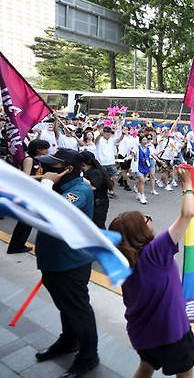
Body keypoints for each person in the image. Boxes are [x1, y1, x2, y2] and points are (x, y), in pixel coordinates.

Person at [109, 167, 194, 378]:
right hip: (171, 333)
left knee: (146, 367)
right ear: (140, 231)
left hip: (141, 332)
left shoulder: (122, 261)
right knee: (184, 373)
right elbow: (187, 214)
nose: (150, 220)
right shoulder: (155, 252)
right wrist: (188, 185)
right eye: (145, 219)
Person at [34, 148, 100, 377]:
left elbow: (54, 213)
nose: (44, 169)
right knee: (66, 307)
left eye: (52, 166)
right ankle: (69, 341)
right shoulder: (60, 186)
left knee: (79, 310)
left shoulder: (80, 189)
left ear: (67, 170)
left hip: (70, 264)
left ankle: (89, 356)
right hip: (53, 260)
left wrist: (45, 185)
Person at [7, 139, 50, 254]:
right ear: (38, 149)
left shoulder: (40, 160)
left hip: (35, 193)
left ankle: (19, 245)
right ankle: (15, 246)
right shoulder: (29, 159)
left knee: (28, 222)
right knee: (24, 222)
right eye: (45, 148)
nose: (47, 150)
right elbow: (25, 177)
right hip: (27, 194)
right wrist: (43, 176)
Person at [80, 151, 112, 229]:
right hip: (94, 202)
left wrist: (80, 177)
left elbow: (93, 187)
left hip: (99, 203)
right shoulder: (88, 171)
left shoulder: (96, 172)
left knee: (98, 226)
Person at [95, 121, 124, 197]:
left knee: (114, 177)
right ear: (103, 133)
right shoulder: (99, 140)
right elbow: (96, 141)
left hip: (111, 163)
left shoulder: (112, 140)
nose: (107, 133)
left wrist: (123, 134)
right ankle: (102, 192)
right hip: (101, 163)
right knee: (102, 179)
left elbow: (119, 139)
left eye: (109, 132)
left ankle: (111, 190)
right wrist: (100, 134)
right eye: (106, 132)